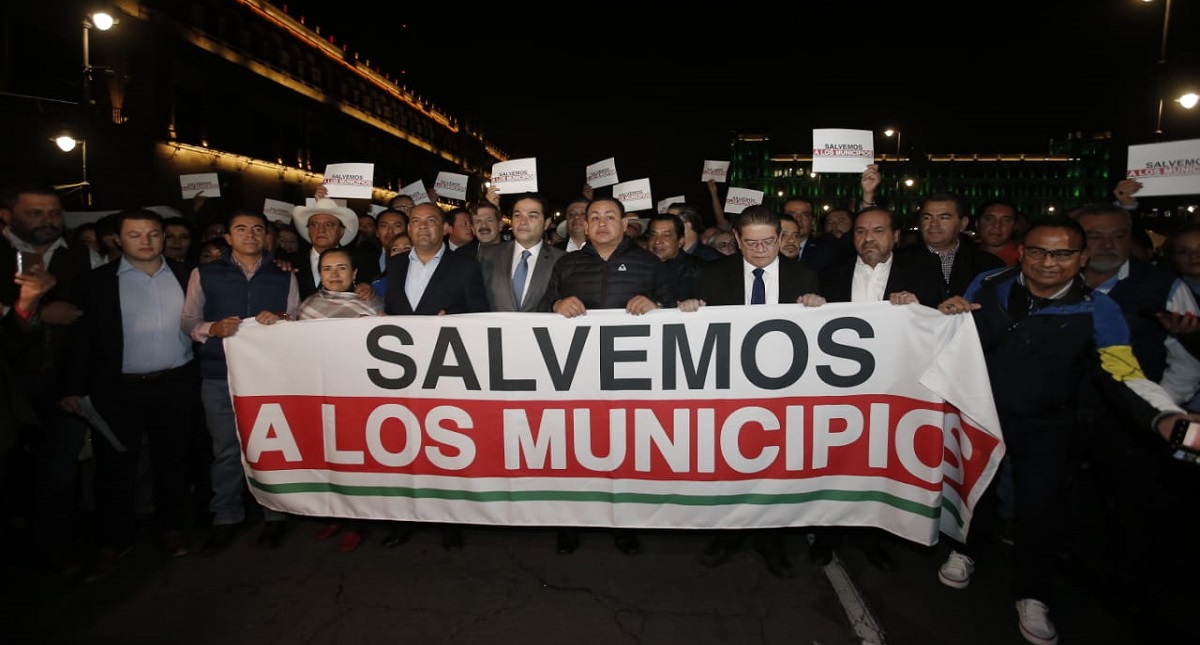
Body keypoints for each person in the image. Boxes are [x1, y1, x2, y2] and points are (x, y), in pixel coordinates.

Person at [934, 215, 1199, 645]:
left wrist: (1164, 415)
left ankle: (1033, 593)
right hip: (982, 413)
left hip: (1048, 423)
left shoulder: (1099, 308)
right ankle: (964, 551)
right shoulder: (988, 283)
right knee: (974, 489)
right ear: (1022, 252)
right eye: (1037, 251)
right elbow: (954, 336)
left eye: (1062, 253)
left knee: (1041, 507)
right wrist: (951, 312)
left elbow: (1123, 372)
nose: (1048, 262)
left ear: (1082, 258)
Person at [1070, 202, 1200, 611]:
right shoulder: (1050, 280)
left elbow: (1185, 359)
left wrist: (1155, 409)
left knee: (1129, 501)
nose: (1108, 244)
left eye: (1119, 235)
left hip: (1129, 418)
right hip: (1064, 410)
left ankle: (1128, 583)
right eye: (1095, 237)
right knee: (1065, 495)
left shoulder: (1162, 285)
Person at [682, 204, 824, 579]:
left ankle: (771, 538)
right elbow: (694, 333)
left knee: (776, 465)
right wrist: (691, 309)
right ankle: (727, 533)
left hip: (784, 391)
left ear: (781, 238)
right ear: (738, 243)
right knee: (729, 463)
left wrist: (819, 309)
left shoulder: (805, 275)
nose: (760, 250)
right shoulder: (712, 276)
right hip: (728, 390)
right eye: (751, 243)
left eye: (768, 241)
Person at [59, 208, 199, 581]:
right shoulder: (94, 283)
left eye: (153, 234)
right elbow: (80, 340)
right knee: (114, 466)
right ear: (118, 240)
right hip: (117, 389)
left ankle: (170, 527)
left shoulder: (190, 276)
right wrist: (73, 388)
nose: (146, 241)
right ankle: (114, 539)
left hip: (176, 383)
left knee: (172, 460)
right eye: (135, 235)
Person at [540, 196, 675, 556]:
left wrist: (657, 307)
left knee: (622, 450)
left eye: (609, 216)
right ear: (583, 223)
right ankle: (572, 521)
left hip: (630, 378)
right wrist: (555, 305)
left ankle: (623, 523)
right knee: (575, 449)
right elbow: (541, 309)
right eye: (593, 216)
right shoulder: (567, 264)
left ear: (622, 221)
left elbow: (678, 306)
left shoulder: (649, 263)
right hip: (576, 377)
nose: (601, 223)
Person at [182, 211, 300, 554]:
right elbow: (188, 320)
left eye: (258, 230)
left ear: (267, 237)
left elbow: (294, 318)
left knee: (269, 448)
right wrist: (212, 329)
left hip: (269, 377)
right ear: (228, 237)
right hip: (220, 375)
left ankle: (274, 515)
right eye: (241, 229)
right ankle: (226, 518)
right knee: (225, 450)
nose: (250, 235)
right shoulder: (204, 273)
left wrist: (281, 319)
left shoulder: (283, 275)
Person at [380, 201, 488, 551]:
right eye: (415, 221)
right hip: (403, 374)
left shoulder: (466, 267)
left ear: (445, 229)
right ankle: (406, 517)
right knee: (405, 446)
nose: (423, 227)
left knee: (444, 447)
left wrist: (456, 320)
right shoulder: (394, 266)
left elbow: (481, 315)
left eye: (431, 221)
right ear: (407, 228)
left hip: (447, 373)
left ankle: (449, 519)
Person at [260, 247, 383, 552]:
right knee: (329, 458)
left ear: (355, 274)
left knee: (359, 460)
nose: (335, 274)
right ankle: (335, 515)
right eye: (327, 269)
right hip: (323, 395)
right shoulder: (307, 308)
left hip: (359, 396)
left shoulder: (372, 306)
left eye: (342, 268)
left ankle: (358, 521)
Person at [0, 181, 93, 575]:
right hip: (8, 386)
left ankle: (54, 551)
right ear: (7, 215)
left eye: (54, 213)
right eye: (35, 213)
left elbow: (92, 327)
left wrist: (76, 384)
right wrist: (36, 311)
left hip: (62, 383)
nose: (47, 221)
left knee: (59, 472)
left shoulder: (79, 257)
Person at [896, 192, 1005, 306]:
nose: (934, 224)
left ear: (963, 224)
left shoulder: (988, 265)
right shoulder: (898, 261)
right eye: (927, 217)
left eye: (944, 218)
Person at [476, 192, 564, 312]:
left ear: (546, 223)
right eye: (517, 215)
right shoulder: (486, 256)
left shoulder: (562, 260)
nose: (523, 221)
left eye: (532, 216)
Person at [292, 193, 374, 298]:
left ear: (341, 231)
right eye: (314, 225)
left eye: (328, 225)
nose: (320, 230)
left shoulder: (362, 261)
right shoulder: (291, 262)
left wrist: (368, 289)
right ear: (308, 230)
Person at [646, 213, 704, 300]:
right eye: (653, 235)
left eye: (666, 236)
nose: (657, 241)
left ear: (680, 241)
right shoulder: (636, 267)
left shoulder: (699, 271)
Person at [975, 199, 1021, 266]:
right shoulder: (966, 257)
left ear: (1015, 226)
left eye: (1006, 220)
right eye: (989, 219)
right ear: (977, 224)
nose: (997, 225)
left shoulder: (1022, 261)